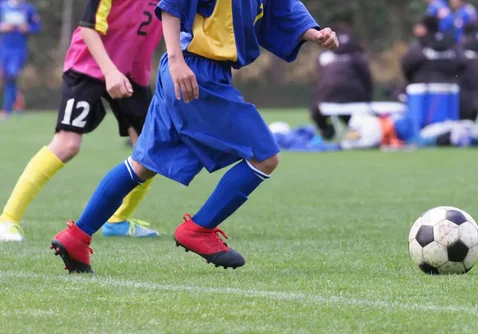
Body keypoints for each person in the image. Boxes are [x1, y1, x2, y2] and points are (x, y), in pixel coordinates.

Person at [49, 0, 339, 273]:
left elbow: (280, 6)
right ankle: (199, 229)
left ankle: (77, 236)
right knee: (265, 156)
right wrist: (177, 61)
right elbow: (172, 6)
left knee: (144, 164)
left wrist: (311, 32)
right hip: (195, 72)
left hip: (189, 69)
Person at [0, 0, 163, 242]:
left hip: (131, 73)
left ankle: (118, 221)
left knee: (152, 152)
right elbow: (88, 29)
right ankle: (7, 220)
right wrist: (110, 72)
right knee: (67, 145)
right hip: (88, 67)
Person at [311, 22, 372, 140]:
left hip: (327, 95)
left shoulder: (323, 56)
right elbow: (366, 77)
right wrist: (368, 97)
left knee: (316, 106)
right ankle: (354, 129)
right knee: (347, 105)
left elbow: (321, 78)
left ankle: (327, 131)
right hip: (355, 95)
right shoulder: (357, 54)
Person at [0, 0, 39, 119]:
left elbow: (36, 26)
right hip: (4, 48)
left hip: (19, 49)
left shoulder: (28, 8)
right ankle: (17, 99)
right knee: (6, 77)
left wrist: (28, 28)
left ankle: (6, 110)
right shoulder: (2, 6)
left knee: (12, 75)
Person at [402, 16, 461, 85]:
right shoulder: (451, 44)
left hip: (422, 89)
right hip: (450, 88)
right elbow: (461, 62)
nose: (415, 28)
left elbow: (407, 67)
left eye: (419, 26)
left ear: (425, 28)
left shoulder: (419, 46)